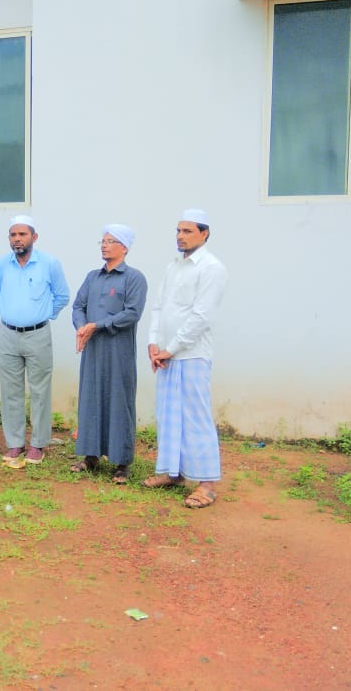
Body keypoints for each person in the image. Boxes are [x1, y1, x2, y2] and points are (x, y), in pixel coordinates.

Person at [144, 208, 228, 509]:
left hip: (191, 355)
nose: (180, 236)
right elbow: (158, 307)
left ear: (204, 234)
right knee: (168, 415)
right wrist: (154, 343)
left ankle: (206, 485)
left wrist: (172, 347)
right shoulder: (173, 267)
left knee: (195, 417)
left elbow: (201, 317)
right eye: (178, 231)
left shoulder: (212, 268)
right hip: (166, 354)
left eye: (188, 231)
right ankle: (173, 473)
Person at [0, 215, 70, 468]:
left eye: (22, 234)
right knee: (10, 391)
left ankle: (37, 444)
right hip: (8, 335)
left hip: (38, 335)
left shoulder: (49, 263)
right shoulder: (1, 265)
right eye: (13, 235)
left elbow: (62, 295)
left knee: (39, 392)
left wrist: (44, 315)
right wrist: (13, 314)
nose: (17, 239)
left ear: (34, 237)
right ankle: (15, 443)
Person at [71, 224, 148, 483]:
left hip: (119, 351)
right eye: (102, 241)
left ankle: (122, 462)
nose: (104, 245)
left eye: (111, 241)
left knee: (119, 401)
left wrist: (98, 325)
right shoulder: (93, 277)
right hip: (92, 350)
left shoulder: (134, 278)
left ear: (124, 248)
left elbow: (132, 313)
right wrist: (82, 326)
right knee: (91, 398)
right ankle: (90, 456)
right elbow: (78, 305)